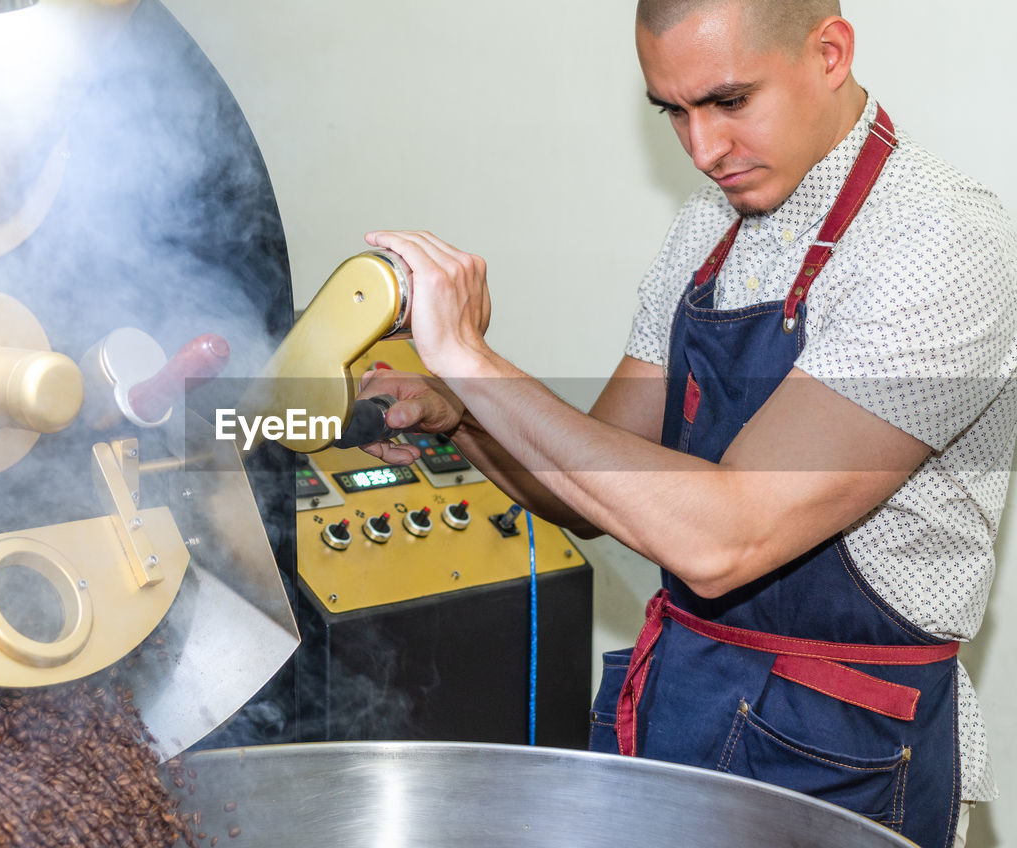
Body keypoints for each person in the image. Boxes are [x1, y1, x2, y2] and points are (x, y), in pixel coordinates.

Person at [357, 1, 1017, 846]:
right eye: (674, 111)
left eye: (730, 101)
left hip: (842, 756)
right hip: (685, 702)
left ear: (830, 52)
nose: (703, 151)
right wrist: (462, 415)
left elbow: (724, 541)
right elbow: (587, 494)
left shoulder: (942, 244)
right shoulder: (709, 228)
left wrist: (472, 361)